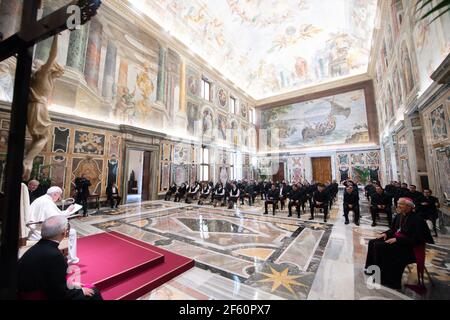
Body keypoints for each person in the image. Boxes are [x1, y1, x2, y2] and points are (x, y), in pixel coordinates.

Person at [18, 215, 103, 300]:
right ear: (64, 232)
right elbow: (59, 292)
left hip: (32, 290)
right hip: (41, 295)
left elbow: (51, 280)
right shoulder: (54, 255)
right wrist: (80, 291)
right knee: (93, 293)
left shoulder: (38, 247)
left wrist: (71, 285)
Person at [364, 198, 434, 290]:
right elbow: (393, 230)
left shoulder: (418, 220)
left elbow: (418, 240)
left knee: (381, 247)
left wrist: (398, 240)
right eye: (398, 204)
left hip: (409, 249)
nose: (398, 206)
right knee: (372, 242)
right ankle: (372, 269)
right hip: (399, 242)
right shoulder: (399, 216)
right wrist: (385, 234)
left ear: (409, 206)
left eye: (401, 204)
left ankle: (389, 281)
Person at [23, 35, 64, 180]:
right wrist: (56, 36)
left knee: (37, 139)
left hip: (33, 107)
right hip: (39, 107)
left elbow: (52, 64)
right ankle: (28, 160)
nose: (37, 64)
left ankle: (29, 160)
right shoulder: (42, 73)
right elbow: (52, 56)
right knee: (44, 137)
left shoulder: (41, 77)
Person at [27, 187, 79, 264]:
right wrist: (68, 211)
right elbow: (56, 218)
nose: (59, 198)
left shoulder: (41, 199)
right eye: (59, 196)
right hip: (39, 232)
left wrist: (66, 212)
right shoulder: (47, 202)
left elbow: (54, 214)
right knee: (72, 232)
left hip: (34, 228)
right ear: (54, 194)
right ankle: (72, 258)